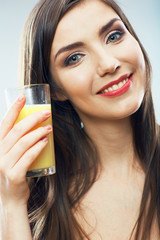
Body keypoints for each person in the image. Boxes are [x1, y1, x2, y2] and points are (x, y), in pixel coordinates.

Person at [0, 0, 159, 239]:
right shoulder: (42, 199)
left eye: (114, 36)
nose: (109, 64)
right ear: (55, 90)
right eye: (74, 58)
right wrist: (11, 204)